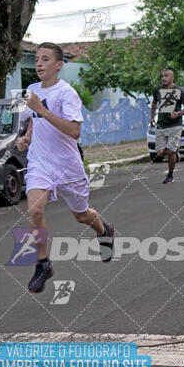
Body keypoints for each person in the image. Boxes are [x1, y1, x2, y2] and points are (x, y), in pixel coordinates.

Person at [16, 42, 114, 293]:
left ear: (58, 65)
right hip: (40, 163)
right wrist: (26, 138)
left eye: (45, 59)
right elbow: (33, 121)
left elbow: (74, 131)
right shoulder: (31, 90)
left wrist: (42, 110)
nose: (39, 63)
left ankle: (104, 230)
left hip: (67, 166)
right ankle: (43, 263)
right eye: (37, 59)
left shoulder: (66, 93)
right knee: (35, 210)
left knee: (82, 216)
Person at [150, 69, 184, 183]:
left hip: (175, 125)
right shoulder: (158, 90)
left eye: (166, 76)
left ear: (172, 77)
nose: (163, 78)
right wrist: (152, 118)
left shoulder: (179, 90)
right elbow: (154, 103)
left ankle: (170, 175)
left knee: (170, 151)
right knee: (160, 153)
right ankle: (176, 153)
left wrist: (178, 113)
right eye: (162, 76)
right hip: (161, 125)